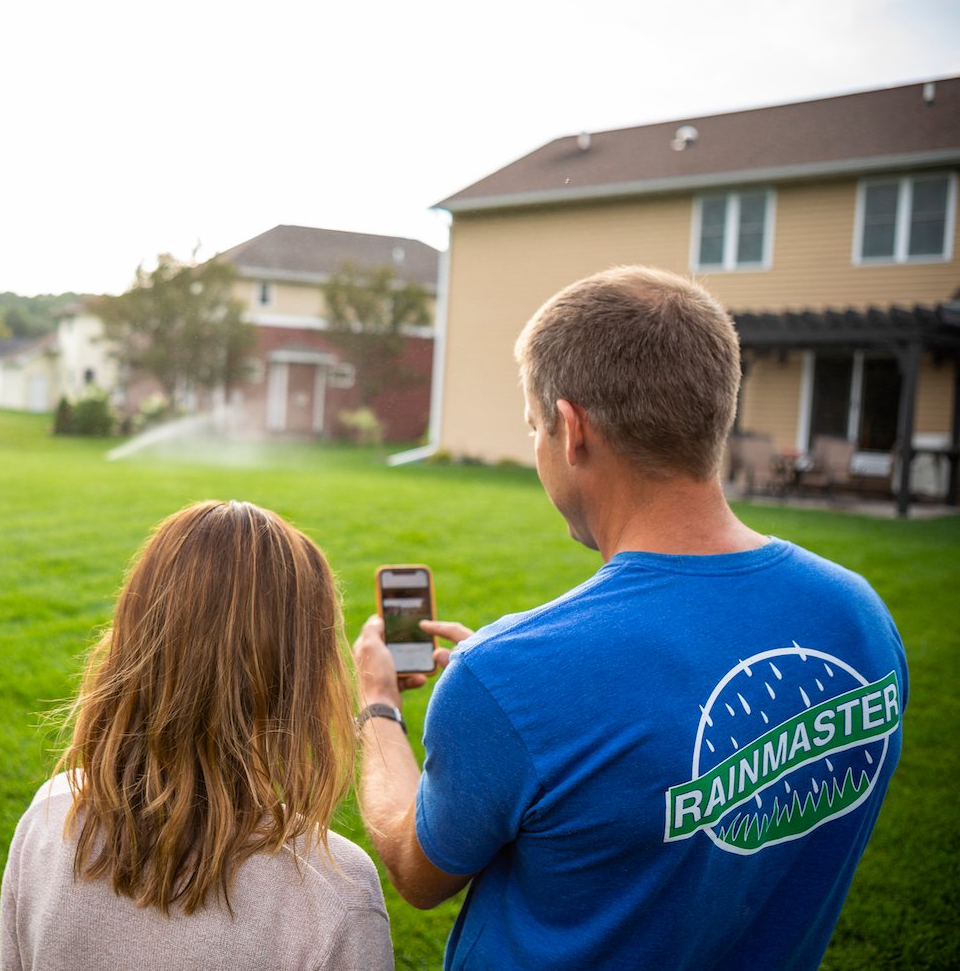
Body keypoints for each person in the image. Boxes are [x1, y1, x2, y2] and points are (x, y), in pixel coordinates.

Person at [354, 266, 907, 970]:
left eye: (535, 427)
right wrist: (511, 697)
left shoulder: (511, 677)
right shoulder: (858, 617)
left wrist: (377, 705)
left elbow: (415, 866)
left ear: (571, 428)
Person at [0, 500, 394, 971]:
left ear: (133, 637)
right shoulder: (335, 893)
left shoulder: (50, 816)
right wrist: (381, 707)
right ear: (304, 675)